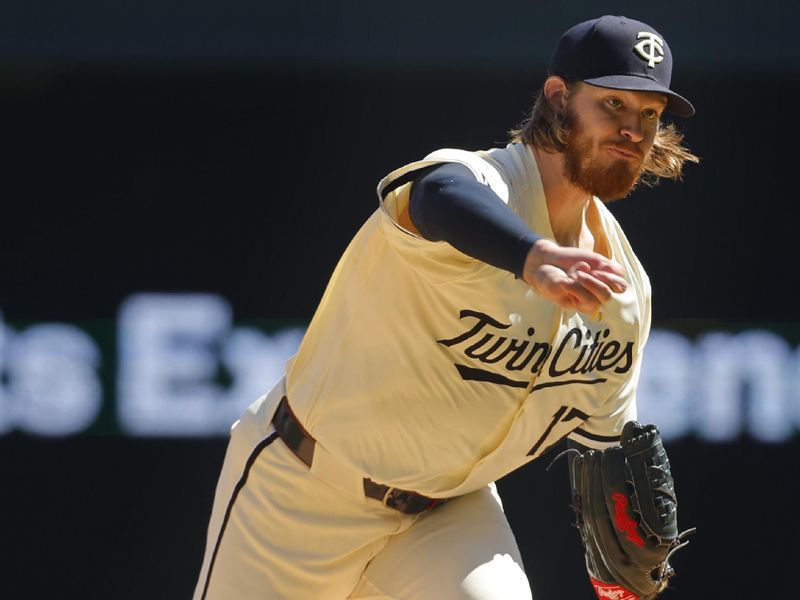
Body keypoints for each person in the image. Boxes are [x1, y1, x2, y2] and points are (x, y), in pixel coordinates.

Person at [194, 14, 698, 600]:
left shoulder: (623, 289)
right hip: (302, 489)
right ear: (559, 97)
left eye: (649, 114)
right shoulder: (482, 183)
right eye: (613, 104)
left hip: (446, 513)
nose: (633, 129)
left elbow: (607, 456)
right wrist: (529, 254)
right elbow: (437, 195)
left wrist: (623, 572)